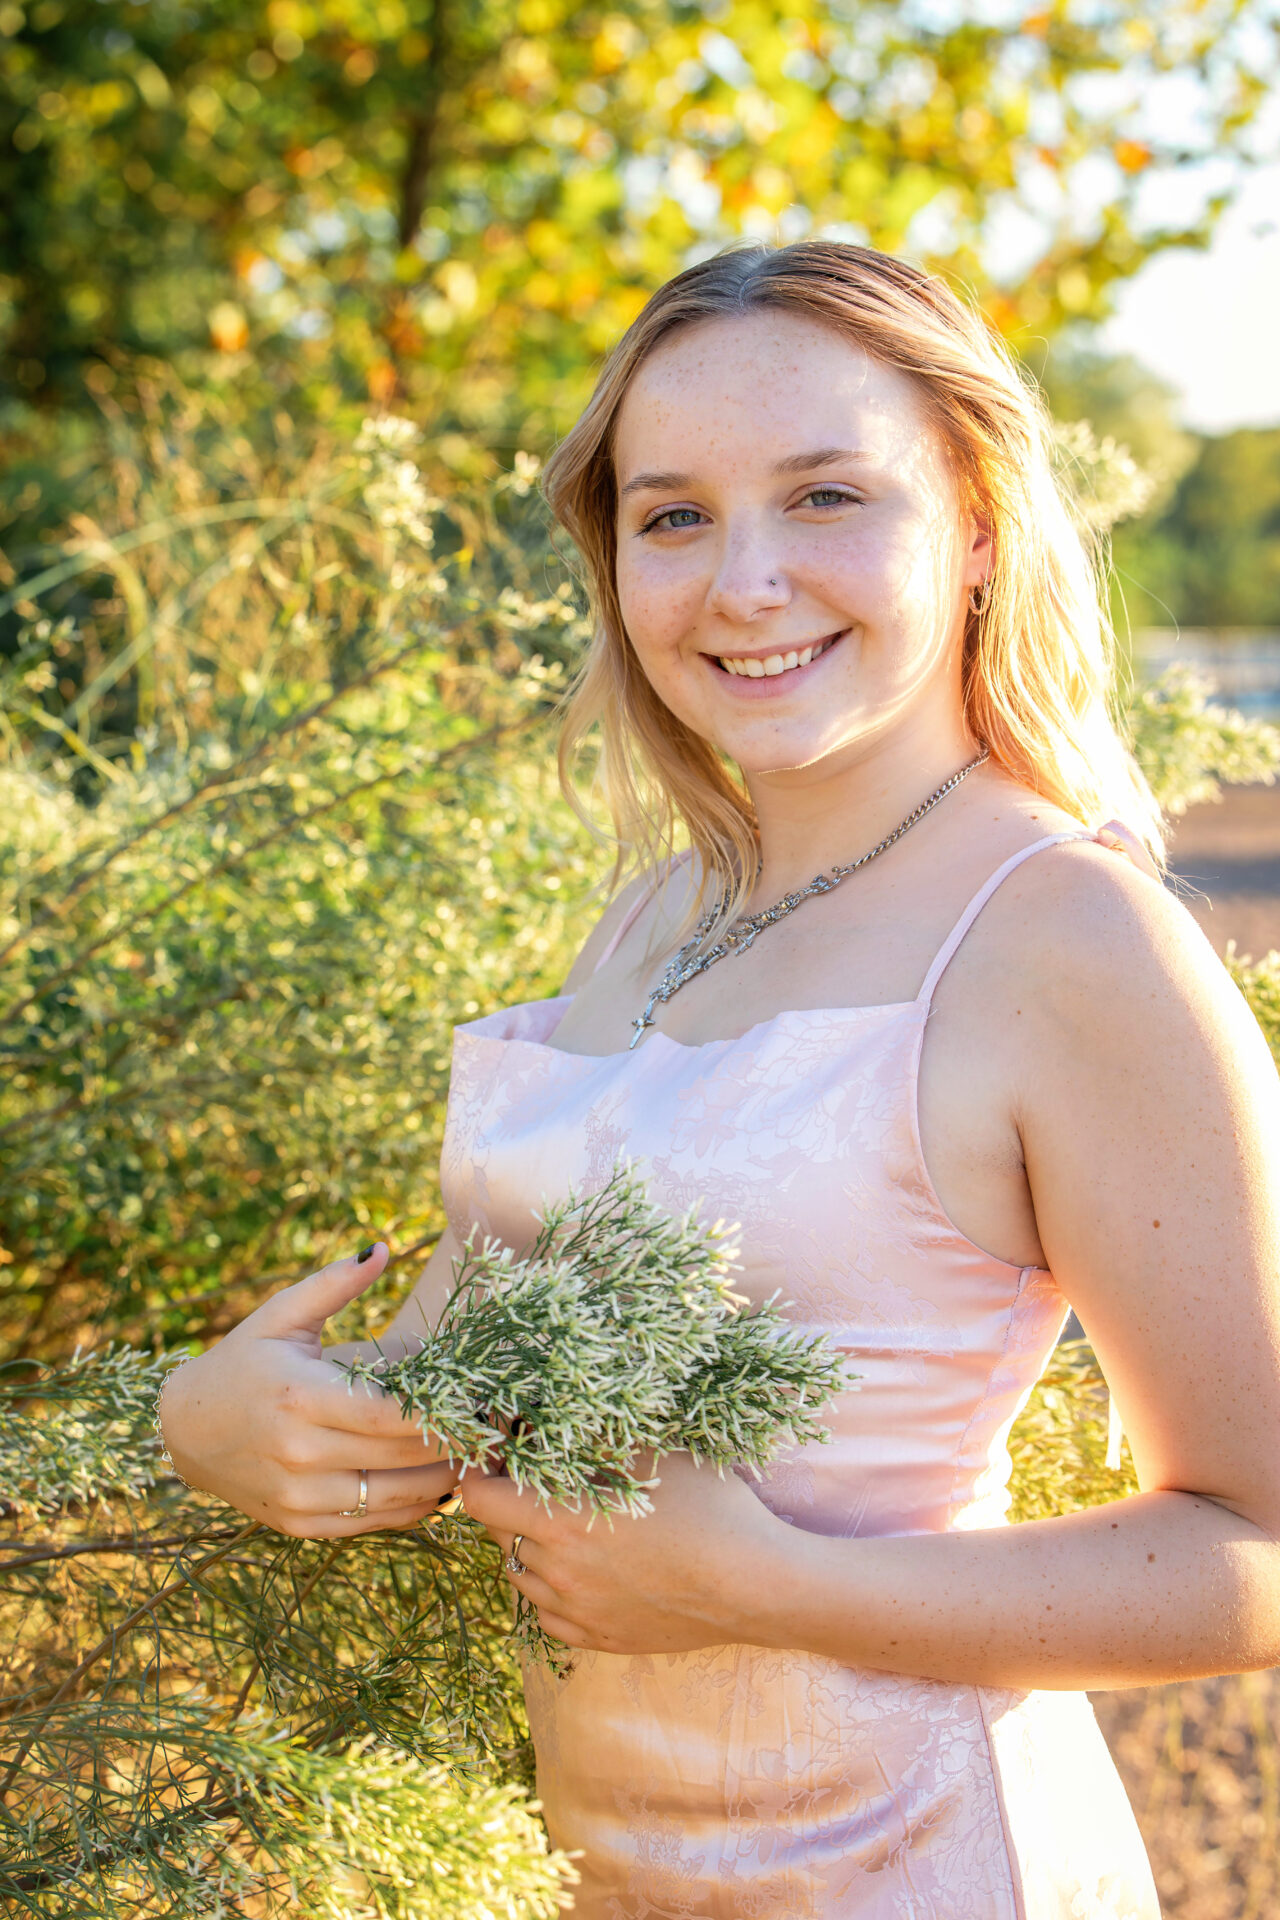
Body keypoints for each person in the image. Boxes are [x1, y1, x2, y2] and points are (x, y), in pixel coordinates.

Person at [160, 242, 1280, 1917]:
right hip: (599, 1876)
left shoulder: (1066, 938)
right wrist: (241, 1416)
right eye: (672, 515)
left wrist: (769, 1586)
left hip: (917, 1871)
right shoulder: (657, 909)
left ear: (976, 527)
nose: (742, 582)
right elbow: (490, 1383)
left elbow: (1253, 1552)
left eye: (827, 496)